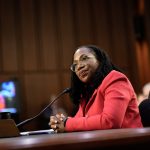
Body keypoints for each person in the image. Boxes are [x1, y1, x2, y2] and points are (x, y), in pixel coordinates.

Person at [49, 45, 143, 133]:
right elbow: (80, 122)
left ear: (100, 60)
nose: (80, 66)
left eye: (84, 58)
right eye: (75, 64)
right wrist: (60, 122)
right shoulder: (87, 92)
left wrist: (67, 123)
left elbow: (110, 122)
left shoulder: (115, 79)